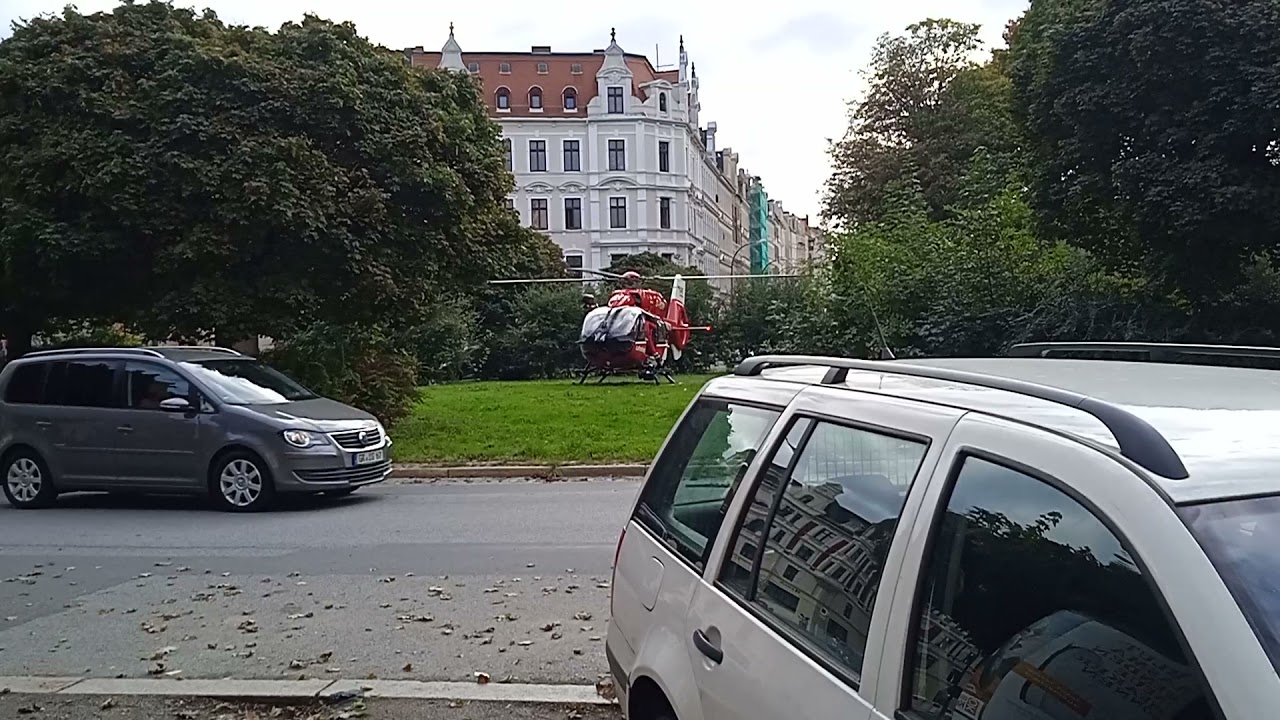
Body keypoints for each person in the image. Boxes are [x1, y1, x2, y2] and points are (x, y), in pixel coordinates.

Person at [606, 272, 668, 359]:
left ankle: (654, 353)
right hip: (623, 337)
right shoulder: (619, 299)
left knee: (646, 327)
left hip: (641, 328)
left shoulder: (639, 303)